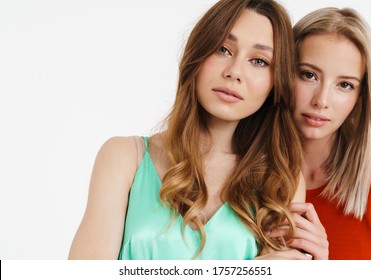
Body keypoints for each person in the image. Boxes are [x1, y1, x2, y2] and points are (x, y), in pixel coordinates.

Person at [68, 0, 324, 260]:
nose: (235, 72)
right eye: (223, 49)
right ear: (197, 55)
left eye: (259, 61)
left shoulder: (281, 180)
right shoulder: (123, 157)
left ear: (275, 82)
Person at [292, 7, 371, 259]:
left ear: (360, 97)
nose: (321, 100)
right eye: (309, 75)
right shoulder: (238, 175)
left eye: (344, 85)